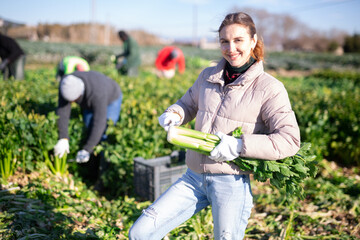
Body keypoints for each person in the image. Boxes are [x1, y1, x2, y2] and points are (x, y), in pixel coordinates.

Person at [129, 12, 300, 240]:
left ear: (253, 40)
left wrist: (239, 146)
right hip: (193, 177)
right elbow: (188, 103)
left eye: (238, 40)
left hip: (231, 182)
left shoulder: (270, 88)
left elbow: (289, 140)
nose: (231, 48)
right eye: (224, 41)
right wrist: (175, 113)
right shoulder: (208, 76)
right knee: (141, 232)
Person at [53, 71, 122, 189]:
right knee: (88, 128)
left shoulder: (98, 93)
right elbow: (63, 111)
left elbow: (100, 123)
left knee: (104, 135)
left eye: (75, 100)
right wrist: (63, 138)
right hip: (90, 100)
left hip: (111, 99)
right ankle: (90, 171)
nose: (73, 103)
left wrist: (87, 149)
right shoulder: (66, 84)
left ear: (81, 94)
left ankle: (102, 178)